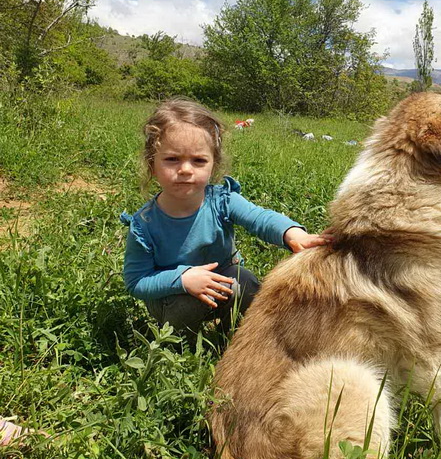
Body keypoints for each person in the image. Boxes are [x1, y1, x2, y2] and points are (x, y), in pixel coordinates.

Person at [121, 98, 329, 338]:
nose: (186, 169)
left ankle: (230, 336)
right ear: (152, 165)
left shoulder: (221, 200)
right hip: (173, 299)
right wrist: (183, 279)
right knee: (189, 304)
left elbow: (259, 217)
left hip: (223, 281)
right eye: (172, 159)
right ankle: (181, 345)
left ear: (213, 165)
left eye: (198, 160)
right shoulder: (144, 225)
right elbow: (136, 281)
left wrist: (291, 233)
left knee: (247, 281)